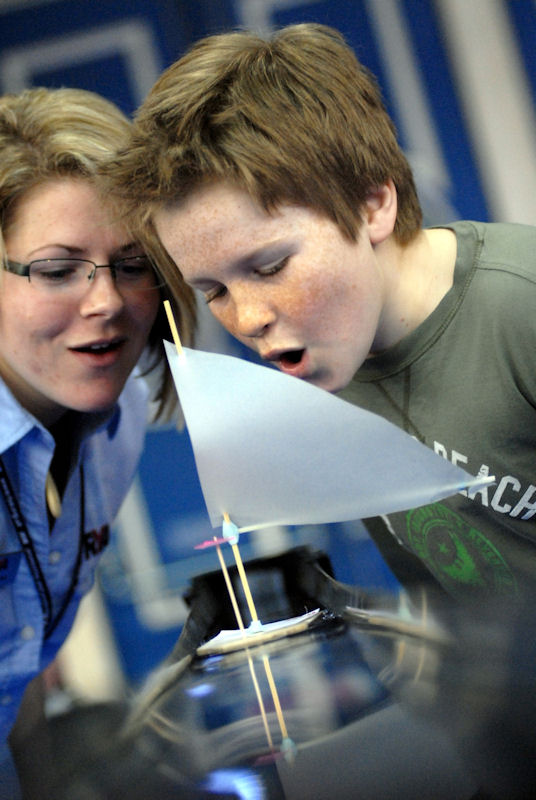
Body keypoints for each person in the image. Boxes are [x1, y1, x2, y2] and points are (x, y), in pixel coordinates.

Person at [105, 23, 536, 608]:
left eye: (271, 265)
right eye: (213, 291)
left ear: (373, 202)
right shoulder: (333, 358)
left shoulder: (521, 305)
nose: (249, 318)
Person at [0, 86, 195, 796]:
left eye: (133, 263)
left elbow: (13, 663)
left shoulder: (123, 419)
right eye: (56, 270)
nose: (107, 301)